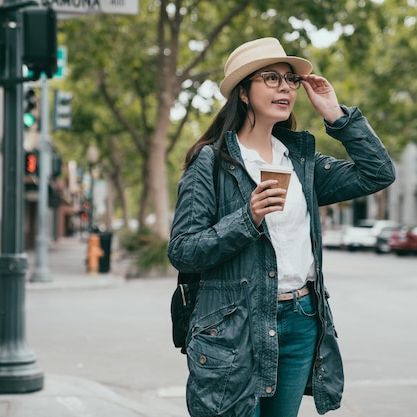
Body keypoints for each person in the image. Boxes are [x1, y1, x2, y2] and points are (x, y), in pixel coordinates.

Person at [167, 37, 396, 417]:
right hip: (233, 326)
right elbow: (184, 250)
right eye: (270, 78)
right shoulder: (211, 162)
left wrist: (337, 116)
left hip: (301, 320)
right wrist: (248, 218)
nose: (285, 87)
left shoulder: (300, 163)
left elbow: (378, 173)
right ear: (244, 92)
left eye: (290, 80)